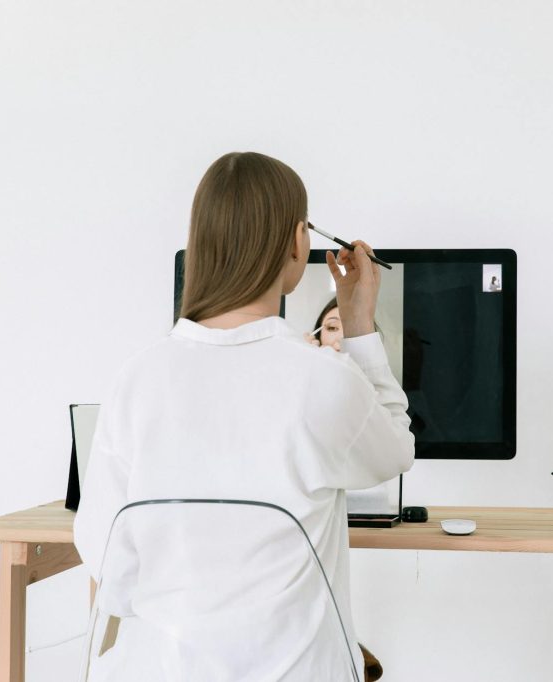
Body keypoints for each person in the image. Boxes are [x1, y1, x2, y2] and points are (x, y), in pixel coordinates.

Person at [74, 151, 414, 681]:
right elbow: (394, 451)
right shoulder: (319, 376)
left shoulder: (136, 379)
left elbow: (106, 557)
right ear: (298, 242)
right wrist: (358, 321)